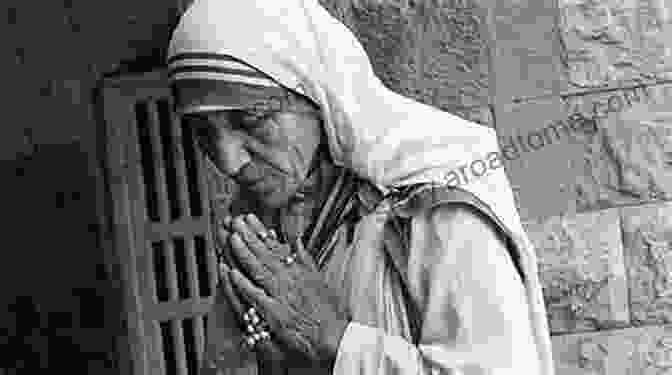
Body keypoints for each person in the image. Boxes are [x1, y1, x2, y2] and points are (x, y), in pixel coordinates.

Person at [166, 0, 555, 374]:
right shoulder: (263, 228)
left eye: (250, 119)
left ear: (315, 93)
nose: (229, 161)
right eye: (204, 134)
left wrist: (334, 341)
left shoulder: (434, 209)